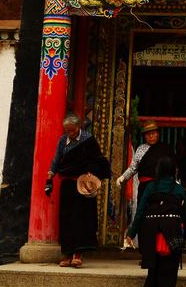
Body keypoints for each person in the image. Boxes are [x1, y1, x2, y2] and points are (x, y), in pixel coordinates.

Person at [46, 112, 110, 268]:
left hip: (83, 186)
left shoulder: (88, 140)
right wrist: (49, 179)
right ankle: (67, 253)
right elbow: (56, 161)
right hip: (68, 186)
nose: (70, 133)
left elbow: (99, 160)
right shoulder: (63, 141)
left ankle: (78, 254)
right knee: (67, 219)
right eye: (67, 131)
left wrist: (92, 172)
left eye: (73, 130)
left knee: (81, 219)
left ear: (79, 126)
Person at [126, 156, 185, 287]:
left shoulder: (151, 187)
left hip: (151, 231)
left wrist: (131, 232)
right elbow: (184, 213)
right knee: (169, 268)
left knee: (155, 265)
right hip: (172, 230)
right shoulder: (179, 189)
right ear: (173, 171)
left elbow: (141, 211)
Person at [116, 121, 174, 219]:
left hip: (162, 188)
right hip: (144, 189)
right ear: (144, 136)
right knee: (143, 216)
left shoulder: (166, 149)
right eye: (148, 134)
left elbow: (172, 170)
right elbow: (133, 168)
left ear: (158, 134)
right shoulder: (140, 149)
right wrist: (123, 177)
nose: (151, 136)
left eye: (153, 133)